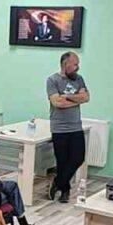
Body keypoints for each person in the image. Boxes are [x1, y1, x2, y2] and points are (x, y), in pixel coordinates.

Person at [46, 51, 89, 203]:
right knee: (62, 161)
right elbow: (57, 102)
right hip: (59, 128)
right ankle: (65, 191)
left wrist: (66, 96)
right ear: (66, 65)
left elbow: (86, 97)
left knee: (78, 158)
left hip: (76, 127)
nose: (78, 67)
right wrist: (76, 100)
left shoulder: (79, 79)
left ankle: (57, 182)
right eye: (75, 64)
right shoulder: (52, 80)